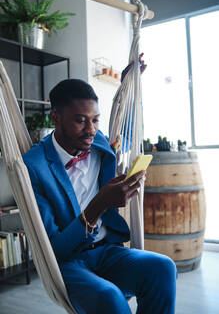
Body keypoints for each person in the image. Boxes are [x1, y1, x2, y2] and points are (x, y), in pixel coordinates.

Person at [23, 78, 177, 314]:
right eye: (80, 121)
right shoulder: (33, 166)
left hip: (107, 251)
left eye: (95, 120)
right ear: (55, 118)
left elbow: (126, 133)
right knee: (109, 296)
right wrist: (100, 203)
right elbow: (53, 249)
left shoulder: (98, 142)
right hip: (68, 263)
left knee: (163, 268)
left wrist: (132, 82)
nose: (91, 130)